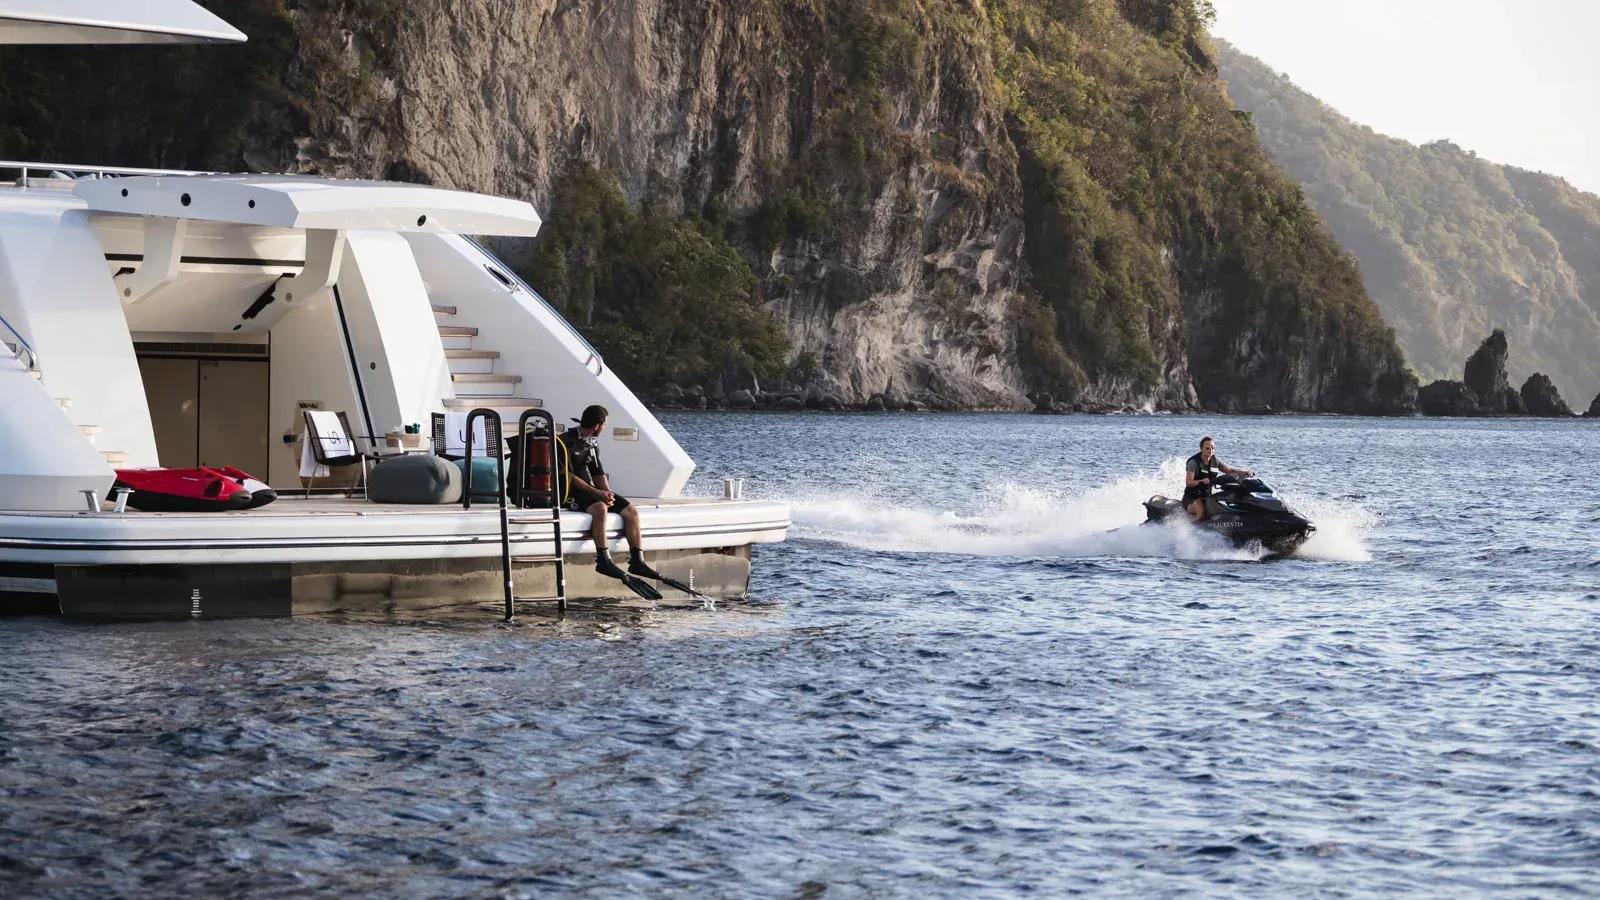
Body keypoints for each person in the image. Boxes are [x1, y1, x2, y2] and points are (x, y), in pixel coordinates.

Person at [559, 404, 663, 582]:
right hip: (570, 491)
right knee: (600, 508)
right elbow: (566, 476)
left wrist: (608, 493)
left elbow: (598, 472)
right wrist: (597, 493)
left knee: (630, 510)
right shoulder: (564, 441)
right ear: (598, 425)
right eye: (604, 425)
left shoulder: (592, 442)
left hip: (591, 490)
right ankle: (603, 560)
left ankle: (637, 560)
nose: (604, 428)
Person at [1183, 436, 1253, 522]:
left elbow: (1230, 470)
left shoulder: (1215, 461)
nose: (1210, 450)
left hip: (1206, 496)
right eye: (1207, 448)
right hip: (1191, 497)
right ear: (1201, 448)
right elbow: (1188, 482)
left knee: (1220, 507)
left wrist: (1245, 472)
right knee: (1202, 511)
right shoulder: (1193, 462)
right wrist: (1201, 481)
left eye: (1213, 448)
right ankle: (1193, 531)